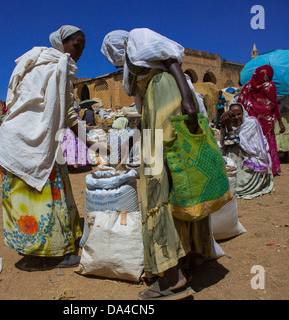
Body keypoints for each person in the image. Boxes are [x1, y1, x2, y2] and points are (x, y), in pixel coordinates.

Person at [102, 28, 212, 300]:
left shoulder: (137, 39)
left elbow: (171, 61)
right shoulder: (133, 65)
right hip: (157, 104)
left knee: (156, 183)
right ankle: (184, 258)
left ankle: (172, 276)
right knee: (175, 179)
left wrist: (188, 100)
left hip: (167, 98)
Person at [0, 25, 106, 268]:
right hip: (31, 141)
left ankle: (59, 241)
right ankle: (54, 252)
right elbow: (67, 112)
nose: (79, 52)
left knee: (40, 194)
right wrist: (92, 144)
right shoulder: (60, 64)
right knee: (47, 197)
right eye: (76, 46)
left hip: (16, 140)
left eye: (83, 48)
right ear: (62, 43)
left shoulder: (35, 61)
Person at [236, 65, 285, 175]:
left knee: (252, 145)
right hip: (266, 122)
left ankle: (254, 168)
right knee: (266, 144)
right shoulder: (270, 86)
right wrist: (280, 122)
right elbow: (274, 104)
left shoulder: (248, 85)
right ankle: (270, 168)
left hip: (250, 122)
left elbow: (240, 102)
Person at [220, 103, 274, 199]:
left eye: (239, 114)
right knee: (224, 150)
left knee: (233, 149)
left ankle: (240, 183)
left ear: (243, 113)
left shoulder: (251, 123)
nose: (236, 118)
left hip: (251, 159)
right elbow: (224, 143)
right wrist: (223, 126)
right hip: (239, 160)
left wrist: (228, 126)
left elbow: (236, 142)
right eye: (233, 115)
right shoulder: (231, 125)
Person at [274, 90, 289, 162]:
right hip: (285, 112)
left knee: (285, 132)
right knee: (280, 132)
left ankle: (285, 155)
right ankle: (282, 155)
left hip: (284, 112)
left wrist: (279, 99)